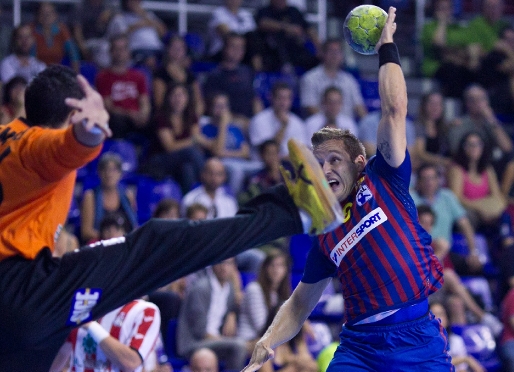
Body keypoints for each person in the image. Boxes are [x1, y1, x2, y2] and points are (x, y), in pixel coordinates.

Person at [0, 64, 343, 370]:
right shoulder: (35, 145)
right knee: (158, 243)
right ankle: (295, 212)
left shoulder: (7, 135)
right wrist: (88, 130)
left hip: (17, 323)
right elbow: (68, 146)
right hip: (23, 291)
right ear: (72, 112)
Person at [242, 8, 453, 372]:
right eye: (319, 163)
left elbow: (395, 109)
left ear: (358, 163)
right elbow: (299, 303)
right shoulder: (324, 230)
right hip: (359, 349)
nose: (325, 169)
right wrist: (267, 339)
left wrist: (387, 47)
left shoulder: (385, 177)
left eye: (334, 160)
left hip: (416, 340)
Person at [50, 214, 163, 372]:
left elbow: (131, 362)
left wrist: (90, 325)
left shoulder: (145, 311)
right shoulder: (84, 304)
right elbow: (58, 359)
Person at [177, 258, 248, 370]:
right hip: (194, 343)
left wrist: (232, 314)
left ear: (234, 267)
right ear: (213, 265)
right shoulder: (201, 288)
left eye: (228, 264)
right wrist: (220, 339)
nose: (224, 267)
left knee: (250, 346)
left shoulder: (229, 288)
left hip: (214, 340)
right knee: (239, 345)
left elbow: (233, 308)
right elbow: (199, 330)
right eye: (221, 262)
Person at [201, 92, 262, 195]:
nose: (221, 110)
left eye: (224, 106)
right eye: (218, 106)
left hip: (239, 162)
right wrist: (223, 124)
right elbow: (218, 152)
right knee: (237, 171)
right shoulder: (206, 129)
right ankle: (232, 201)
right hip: (221, 164)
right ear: (211, 108)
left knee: (262, 167)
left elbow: (246, 153)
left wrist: (227, 153)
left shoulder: (235, 128)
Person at [95, 33, 151, 139]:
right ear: (111, 52)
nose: (120, 53)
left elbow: (144, 100)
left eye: (123, 49)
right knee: (116, 120)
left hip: (137, 117)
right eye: (117, 49)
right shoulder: (103, 77)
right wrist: (130, 114)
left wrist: (143, 114)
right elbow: (108, 106)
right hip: (117, 118)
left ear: (128, 52)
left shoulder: (139, 76)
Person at [300, 39, 367, 119]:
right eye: (331, 51)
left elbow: (359, 106)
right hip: (321, 127)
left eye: (338, 52)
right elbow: (309, 107)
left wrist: (367, 123)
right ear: (323, 54)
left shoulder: (349, 80)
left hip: (346, 127)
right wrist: (331, 125)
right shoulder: (310, 78)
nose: (334, 55)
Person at [203, 32, 262, 123]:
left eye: (241, 48)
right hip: (227, 122)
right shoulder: (215, 76)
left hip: (250, 122)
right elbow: (215, 108)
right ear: (225, 48)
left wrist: (259, 120)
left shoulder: (247, 71)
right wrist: (239, 120)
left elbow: (255, 99)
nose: (237, 51)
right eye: (233, 47)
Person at [238, 249, 292, 348]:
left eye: (280, 265)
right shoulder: (254, 289)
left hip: (268, 341)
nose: (276, 270)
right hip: (249, 342)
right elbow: (262, 327)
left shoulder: (277, 294)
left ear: (286, 270)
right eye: (272, 265)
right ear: (265, 268)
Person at [80, 152, 138, 243]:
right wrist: (110, 238)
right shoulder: (90, 196)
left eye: (113, 170)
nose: (109, 174)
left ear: (120, 174)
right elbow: (86, 232)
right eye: (105, 169)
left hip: (124, 244)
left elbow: (134, 227)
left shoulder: (128, 195)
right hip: (100, 245)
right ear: (99, 173)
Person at [249, 81, 307, 159]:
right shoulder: (259, 120)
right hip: (262, 166)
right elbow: (267, 153)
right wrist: (283, 126)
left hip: (290, 164)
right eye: (280, 98)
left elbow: (302, 151)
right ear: (271, 98)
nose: (283, 103)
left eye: (286, 99)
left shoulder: (297, 123)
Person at [153, 35, 204, 116]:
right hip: (168, 116)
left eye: (181, 48)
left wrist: (194, 116)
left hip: (189, 116)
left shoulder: (190, 75)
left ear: (185, 51)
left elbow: (199, 101)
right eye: (174, 47)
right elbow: (159, 103)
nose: (177, 51)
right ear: (168, 50)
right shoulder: (161, 73)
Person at [106, 0, 167, 69]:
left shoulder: (149, 15)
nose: (134, 3)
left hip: (157, 48)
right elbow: (120, 36)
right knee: (150, 60)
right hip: (138, 49)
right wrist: (137, 26)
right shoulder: (122, 17)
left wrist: (144, 16)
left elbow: (163, 32)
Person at [429, 301, 486, 372]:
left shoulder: (456, 339)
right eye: (434, 315)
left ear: (447, 317)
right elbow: (436, 363)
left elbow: (462, 368)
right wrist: (466, 359)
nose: (438, 319)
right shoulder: (425, 343)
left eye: (441, 314)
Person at [32, 2, 81, 73]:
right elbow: (31, 59)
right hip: (37, 72)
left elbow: (73, 54)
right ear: (37, 16)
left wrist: (76, 75)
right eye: (43, 13)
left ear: (55, 15)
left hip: (57, 72)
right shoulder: (32, 32)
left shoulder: (62, 31)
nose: (46, 16)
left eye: (49, 13)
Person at [412, 91, 452, 172]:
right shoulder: (417, 126)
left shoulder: (444, 127)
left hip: (440, 171)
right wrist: (442, 161)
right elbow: (420, 153)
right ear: (424, 106)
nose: (435, 107)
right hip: (421, 170)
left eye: (439, 104)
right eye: (432, 103)